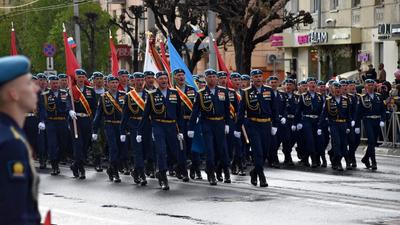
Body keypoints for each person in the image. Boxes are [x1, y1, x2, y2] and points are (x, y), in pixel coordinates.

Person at [0, 55, 41, 225]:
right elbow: (14, 216)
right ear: (13, 94)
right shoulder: (11, 143)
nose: (36, 88)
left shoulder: (8, 132)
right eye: (29, 83)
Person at [137, 71, 184, 190]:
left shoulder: (174, 93)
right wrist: (139, 132)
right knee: (161, 151)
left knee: (174, 152)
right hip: (158, 126)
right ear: (157, 81)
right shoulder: (152, 95)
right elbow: (145, 114)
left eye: (165, 78)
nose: (163, 80)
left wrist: (181, 130)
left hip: (172, 126)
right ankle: (163, 176)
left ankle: (167, 168)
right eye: (161, 79)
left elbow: (179, 113)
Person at [188, 69, 231, 185]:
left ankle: (225, 171)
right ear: (205, 79)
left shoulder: (223, 91)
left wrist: (227, 123)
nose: (212, 79)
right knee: (210, 151)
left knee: (222, 149)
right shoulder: (201, 93)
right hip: (207, 124)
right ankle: (211, 174)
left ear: (216, 78)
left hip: (220, 123)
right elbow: (195, 112)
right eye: (209, 77)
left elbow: (227, 109)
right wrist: (191, 128)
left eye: (213, 76)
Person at [236, 69, 278, 187]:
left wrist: (275, 125)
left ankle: (254, 172)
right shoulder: (246, 92)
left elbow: (275, 110)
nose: (258, 78)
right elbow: (241, 111)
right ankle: (262, 177)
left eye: (260, 76)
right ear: (252, 79)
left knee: (264, 153)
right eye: (256, 77)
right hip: (253, 125)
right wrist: (237, 128)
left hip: (266, 125)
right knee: (258, 152)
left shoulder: (269, 91)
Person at [92, 76, 126, 183]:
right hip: (109, 125)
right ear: (108, 84)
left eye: (116, 82)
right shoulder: (103, 97)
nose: (114, 84)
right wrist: (94, 130)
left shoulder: (124, 96)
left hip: (121, 126)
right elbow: (98, 114)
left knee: (122, 149)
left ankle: (111, 168)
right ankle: (114, 171)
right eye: (112, 82)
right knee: (113, 148)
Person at [67, 69, 97, 179]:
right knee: (78, 145)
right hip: (76, 120)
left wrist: (95, 122)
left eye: (82, 77)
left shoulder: (90, 90)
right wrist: (70, 110)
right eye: (78, 77)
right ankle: (81, 169)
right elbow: (68, 102)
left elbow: (94, 108)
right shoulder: (71, 90)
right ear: (76, 78)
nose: (80, 79)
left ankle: (75, 165)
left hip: (87, 120)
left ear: (85, 78)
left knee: (85, 145)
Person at [38, 75, 71, 176]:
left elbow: (68, 104)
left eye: (57, 83)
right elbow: (42, 109)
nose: (55, 85)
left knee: (63, 144)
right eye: (53, 83)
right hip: (51, 122)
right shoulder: (44, 95)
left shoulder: (65, 93)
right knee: (53, 144)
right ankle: (54, 166)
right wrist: (42, 121)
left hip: (62, 122)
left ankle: (61, 158)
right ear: (49, 84)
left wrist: (70, 111)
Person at [120, 72, 148, 185]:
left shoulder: (149, 94)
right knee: (137, 151)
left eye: (142, 80)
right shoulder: (129, 95)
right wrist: (122, 130)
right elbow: (125, 114)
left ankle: (136, 171)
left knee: (146, 151)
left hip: (146, 125)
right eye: (138, 80)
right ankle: (141, 173)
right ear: (134, 81)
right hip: (134, 125)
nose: (140, 82)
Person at [318, 82, 351, 171]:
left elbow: (348, 115)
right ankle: (339, 163)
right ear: (332, 90)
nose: (337, 90)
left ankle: (345, 161)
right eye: (336, 89)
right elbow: (323, 114)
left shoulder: (345, 100)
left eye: (339, 89)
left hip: (343, 124)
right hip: (334, 124)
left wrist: (349, 126)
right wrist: (320, 127)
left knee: (344, 144)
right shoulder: (328, 101)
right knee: (337, 143)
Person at [295, 77, 324, 168]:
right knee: (310, 139)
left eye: (314, 83)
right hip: (306, 120)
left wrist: (321, 123)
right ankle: (314, 159)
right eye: (310, 83)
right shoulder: (303, 96)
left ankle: (305, 158)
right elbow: (298, 110)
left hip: (317, 121)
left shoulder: (319, 96)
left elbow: (322, 112)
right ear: (307, 85)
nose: (312, 85)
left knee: (317, 140)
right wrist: (297, 122)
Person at [357, 79, 386, 170]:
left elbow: (383, 109)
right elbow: (359, 112)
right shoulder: (362, 97)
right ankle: (373, 161)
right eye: (368, 85)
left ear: (374, 86)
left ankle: (365, 158)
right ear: (365, 86)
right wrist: (357, 125)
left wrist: (382, 119)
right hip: (368, 120)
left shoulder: (379, 96)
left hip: (377, 120)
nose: (370, 87)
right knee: (371, 140)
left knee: (373, 142)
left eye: (372, 85)